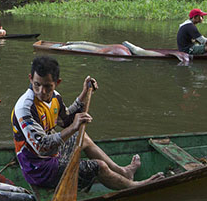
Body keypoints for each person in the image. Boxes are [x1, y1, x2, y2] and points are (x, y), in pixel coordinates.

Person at [11, 56, 164, 190]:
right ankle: (133, 186)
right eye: (37, 84)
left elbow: (65, 119)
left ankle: (123, 172)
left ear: (57, 83)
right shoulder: (25, 108)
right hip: (39, 169)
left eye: (47, 86)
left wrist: (83, 94)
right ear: (30, 78)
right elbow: (42, 148)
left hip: (52, 155)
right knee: (99, 167)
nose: (41, 91)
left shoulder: (55, 97)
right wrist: (73, 127)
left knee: (82, 137)